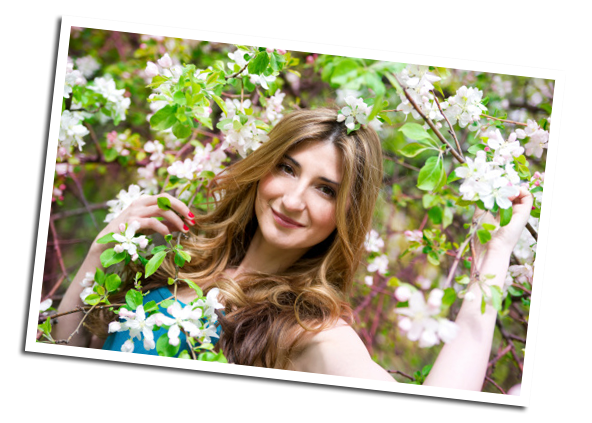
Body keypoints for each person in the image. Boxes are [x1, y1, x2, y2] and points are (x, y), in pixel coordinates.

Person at [53, 108, 533, 390]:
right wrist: (100, 251)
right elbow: (67, 347)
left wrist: (494, 254)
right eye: (287, 168)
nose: (292, 200)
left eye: (326, 189)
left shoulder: (304, 329)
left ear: (345, 214)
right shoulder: (174, 258)